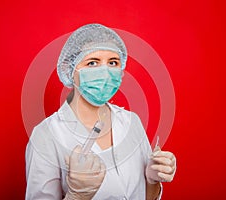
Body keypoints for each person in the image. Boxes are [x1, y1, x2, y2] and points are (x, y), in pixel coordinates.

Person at [25, 23, 176, 200]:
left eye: (113, 62)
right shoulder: (46, 135)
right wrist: (77, 196)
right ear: (70, 70)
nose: (105, 72)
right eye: (92, 63)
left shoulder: (131, 122)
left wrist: (152, 181)